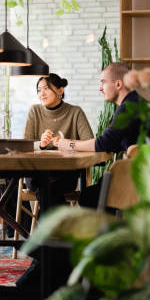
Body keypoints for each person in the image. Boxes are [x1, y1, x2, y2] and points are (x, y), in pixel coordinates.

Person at [52, 63, 150, 207]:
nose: (100, 88)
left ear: (118, 84)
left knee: (88, 197)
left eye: (103, 83)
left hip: (148, 183)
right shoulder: (134, 103)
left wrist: (68, 144)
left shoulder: (129, 108)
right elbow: (111, 141)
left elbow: (104, 143)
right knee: (95, 190)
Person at [23, 73, 94, 206]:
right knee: (46, 187)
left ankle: (47, 226)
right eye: (39, 90)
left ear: (60, 90)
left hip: (65, 173)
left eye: (46, 88)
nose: (41, 94)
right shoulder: (35, 111)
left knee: (47, 189)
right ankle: (57, 225)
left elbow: (89, 142)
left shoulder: (75, 112)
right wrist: (41, 144)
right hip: (37, 171)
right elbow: (25, 145)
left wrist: (67, 143)